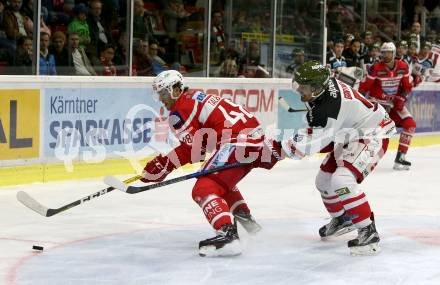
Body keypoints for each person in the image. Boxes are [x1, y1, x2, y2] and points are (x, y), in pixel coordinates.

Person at [141, 70, 279, 257]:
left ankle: (227, 234)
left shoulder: (180, 110)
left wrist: (164, 165)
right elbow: (202, 144)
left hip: (237, 143)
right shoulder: (194, 97)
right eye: (159, 94)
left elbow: (194, 150)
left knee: (204, 189)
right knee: (220, 182)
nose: (162, 99)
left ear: (176, 88)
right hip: (254, 139)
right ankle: (248, 223)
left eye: (164, 93)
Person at [279, 60, 396, 255]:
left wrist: (281, 149)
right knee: (323, 180)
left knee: (342, 180)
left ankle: (368, 232)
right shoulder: (324, 90)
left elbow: (312, 145)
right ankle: (344, 218)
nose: (300, 92)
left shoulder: (329, 111)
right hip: (350, 133)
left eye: (304, 88)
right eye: (298, 86)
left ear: (317, 88)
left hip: (373, 133)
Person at [358, 42, 415, 170]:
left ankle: (400, 158)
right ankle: (359, 158)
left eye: (389, 52)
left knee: (410, 124)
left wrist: (401, 98)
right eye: (384, 52)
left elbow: (407, 86)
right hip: (379, 104)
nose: (386, 55)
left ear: (394, 53)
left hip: (394, 104)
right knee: (375, 133)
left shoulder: (403, 66)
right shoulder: (375, 68)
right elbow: (364, 87)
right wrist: (361, 102)